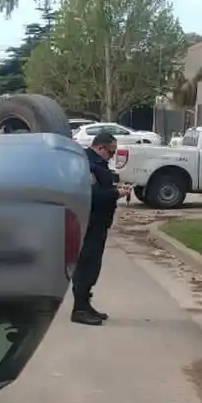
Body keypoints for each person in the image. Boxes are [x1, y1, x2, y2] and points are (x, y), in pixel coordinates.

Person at [72, 131, 125, 325]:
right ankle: (79, 309)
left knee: (93, 266)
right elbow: (91, 195)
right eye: (111, 152)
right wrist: (116, 193)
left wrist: (115, 189)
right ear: (100, 148)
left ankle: (86, 305)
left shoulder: (97, 164)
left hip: (98, 223)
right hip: (90, 223)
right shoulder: (89, 165)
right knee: (86, 265)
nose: (111, 156)